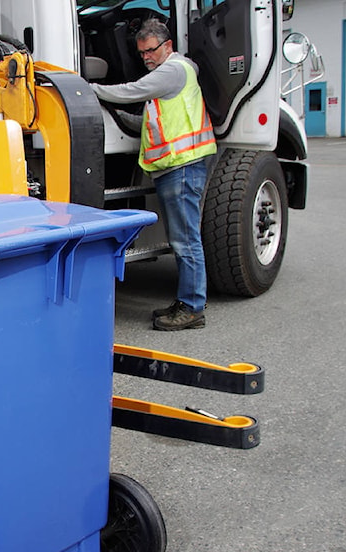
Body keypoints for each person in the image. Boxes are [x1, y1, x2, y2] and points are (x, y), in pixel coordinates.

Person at [90, 19, 216, 331]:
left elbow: (132, 90)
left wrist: (88, 90)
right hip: (177, 166)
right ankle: (187, 301)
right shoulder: (166, 82)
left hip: (183, 165)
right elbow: (145, 122)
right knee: (183, 238)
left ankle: (192, 308)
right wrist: (118, 117)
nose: (146, 57)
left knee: (185, 239)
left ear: (168, 46)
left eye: (151, 50)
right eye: (142, 53)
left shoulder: (173, 70)